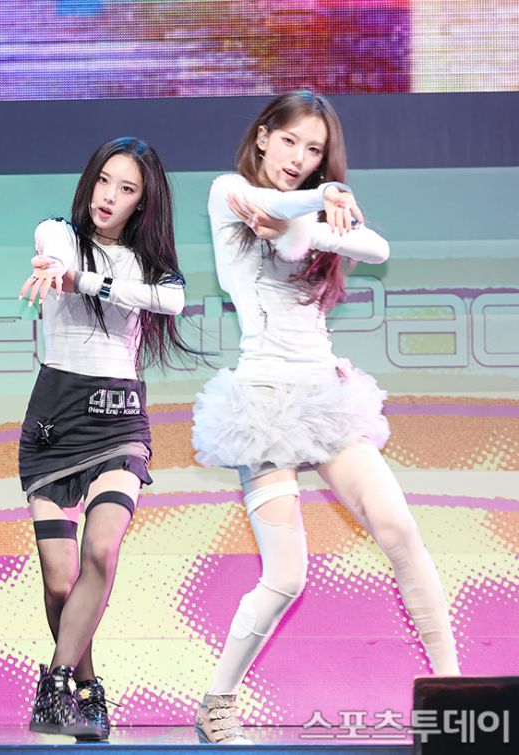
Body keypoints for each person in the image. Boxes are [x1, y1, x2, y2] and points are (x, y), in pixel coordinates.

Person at [192, 90, 460, 745]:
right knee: (286, 576)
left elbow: (377, 246)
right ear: (263, 136)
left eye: (313, 151)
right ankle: (217, 702)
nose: (298, 158)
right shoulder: (228, 193)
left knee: (399, 529)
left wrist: (319, 212)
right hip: (263, 404)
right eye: (289, 141)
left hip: (324, 396)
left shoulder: (306, 213)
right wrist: (320, 199)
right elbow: (274, 214)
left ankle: (454, 695)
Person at [18, 136, 189, 740]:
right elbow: (52, 251)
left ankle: (54, 685)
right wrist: (55, 268)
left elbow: (172, 300)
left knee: (101, 550)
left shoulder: (148, 265)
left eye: (126, 188)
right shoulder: (59, 233)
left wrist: (86, 282)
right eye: (103, 181)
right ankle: (87, 690)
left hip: (118, 420)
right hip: (54, 420)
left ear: (143, 202)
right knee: (59, 580)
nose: (109, 196)